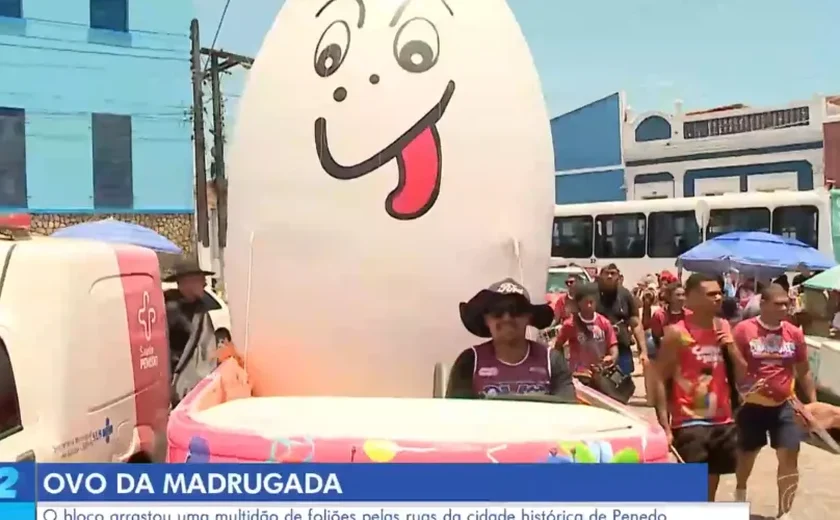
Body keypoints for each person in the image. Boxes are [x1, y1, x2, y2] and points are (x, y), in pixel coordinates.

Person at [654, 273, 745, 501]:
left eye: (719, 293)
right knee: (691, 486)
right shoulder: (677, 333)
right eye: (710, 294)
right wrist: (665, 427)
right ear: (691, 299)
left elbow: (743, 374)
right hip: (689, 422)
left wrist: (731, 346)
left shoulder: (723, 327)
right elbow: (659, 379)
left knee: (712, 483)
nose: (718, 298)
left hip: (722, 420)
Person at [732, 284, 816, 517]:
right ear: (763, 304)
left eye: (786, 303)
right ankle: (740, 493)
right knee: (746, 455)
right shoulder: (743, 330)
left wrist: (811, 404)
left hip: (786, 405)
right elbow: (732, 366)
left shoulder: (794, 333)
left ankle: (785, 512)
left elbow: (804, 369)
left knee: (789, 456)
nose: (784, 307)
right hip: (752, 405)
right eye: (778, 303)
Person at [446, 278, 576, 400]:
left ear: (529, 317)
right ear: (486, 319)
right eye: (498, 311)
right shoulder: (469, 362)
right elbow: (456, 415)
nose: (506, 318)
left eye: (515, 310)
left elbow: (568, 413)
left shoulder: (552, 361)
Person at [164, 257, 218, 405]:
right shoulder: (172, 309)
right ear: (187, 282)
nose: (205, 283)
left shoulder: (197, 307)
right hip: (179, 387)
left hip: (193, 386)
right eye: (201, 279)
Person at [596, 264, 648, 379]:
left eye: (613, 273)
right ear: (600, 276)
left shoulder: (625, 295)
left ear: (618, 276)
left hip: (622, 347)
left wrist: (643, 351)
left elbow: (635, 323)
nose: (609, 276)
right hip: (597, 349)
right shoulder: (592, 294)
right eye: (606, 273)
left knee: (622, 386)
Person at [555, 283, 618, 376]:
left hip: (599, 373)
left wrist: (612, 357)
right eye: (585, 302)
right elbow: (558, 347)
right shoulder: (570, 324)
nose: (589, 306)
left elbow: (613, 346)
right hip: (578, 375)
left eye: (591, 302)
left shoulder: (604, 323)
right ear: (579, 303)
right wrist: (564, 369)